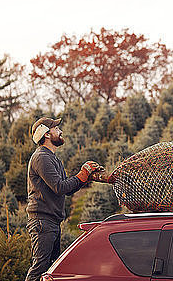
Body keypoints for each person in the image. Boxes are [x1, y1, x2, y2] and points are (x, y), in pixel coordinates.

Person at [25, 117, 101, 281]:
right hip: (42, 222)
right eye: (56, 128)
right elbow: (60, 187)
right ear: (46, 134)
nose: (60, 131)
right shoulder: (41, 158)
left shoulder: (53, 158)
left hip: (51, 222)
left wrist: (87, 177)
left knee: (50, 269)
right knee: (40, 268)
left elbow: (67, 188)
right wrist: (82, 174)